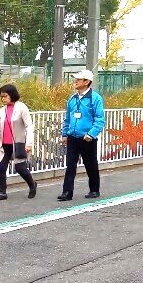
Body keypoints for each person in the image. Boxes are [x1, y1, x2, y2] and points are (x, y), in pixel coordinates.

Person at [58, 69, 105, 201]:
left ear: (86, 82)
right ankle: (67, 192)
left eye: (78, 79)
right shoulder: (72, 99)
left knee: (91, 164)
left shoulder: (95, 98)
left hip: (87, 138)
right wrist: (65, 133)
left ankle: (94, 190)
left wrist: (91, 133)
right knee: (70, 165)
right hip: (73, 137)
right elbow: (68, 118)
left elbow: (100, 119)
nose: (76, 81)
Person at [0, 84, 37, 200]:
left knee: (20, 168)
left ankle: (32, 185)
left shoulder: (21, 108)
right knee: (1, 167)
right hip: (5, 145)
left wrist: (29, 143)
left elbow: (29, 126)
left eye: (5, 96)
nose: (3, 99)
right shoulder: (2, 110)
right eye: (1, 97)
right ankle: (2, 193)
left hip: (18, 144)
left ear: (12, 95)